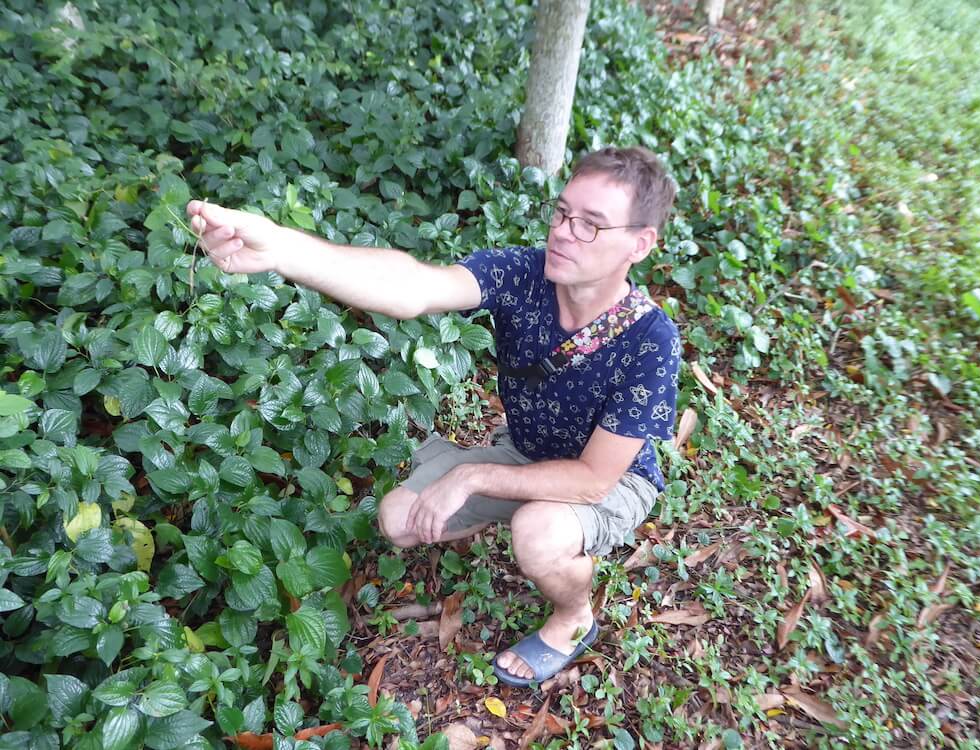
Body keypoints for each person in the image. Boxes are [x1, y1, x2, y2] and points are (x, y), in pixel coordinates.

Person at [187, 146, 680, 687]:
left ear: (640, 243)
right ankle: (514, 509)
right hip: (526, 451)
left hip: (611, 479)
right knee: (399, 520)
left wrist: (471, 476)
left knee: (537, 530)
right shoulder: (525, 273)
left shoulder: (650, 340)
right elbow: (414, 285)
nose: (563, 232)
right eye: (562, 213)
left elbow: (592, 480)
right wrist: (282, 248)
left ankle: (573, 617)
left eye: (591, 225)